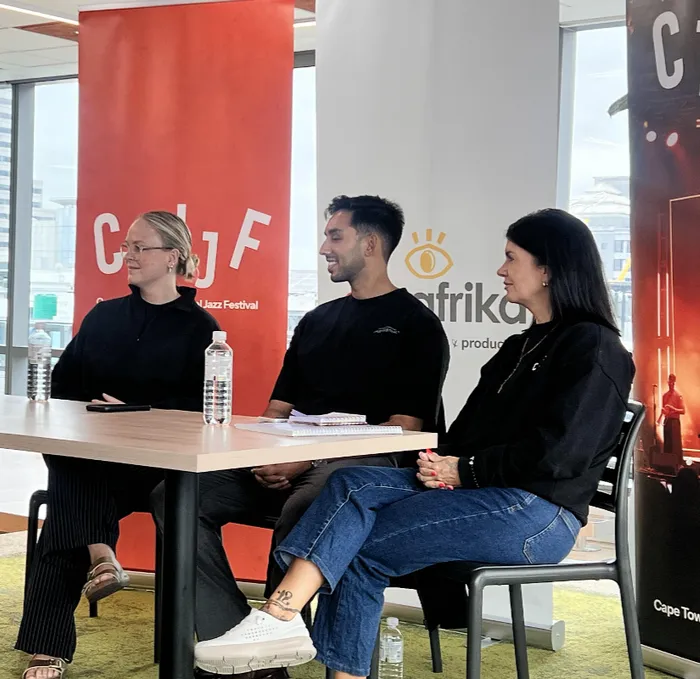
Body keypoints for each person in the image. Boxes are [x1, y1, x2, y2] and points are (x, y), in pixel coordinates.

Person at [194, 208, 636, 679]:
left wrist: (464, 470)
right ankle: (278, 619)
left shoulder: (596, 348)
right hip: (485, 493)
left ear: (547, 268)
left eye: (511, 258)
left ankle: (278, 616)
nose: (500, 270)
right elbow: (465, 437)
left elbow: (561, 455)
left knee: (355, 545)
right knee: (349, 482)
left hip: (538, 514)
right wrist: (440, 464)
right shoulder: (518, 347)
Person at [155, 195, 449, 679]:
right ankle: (247, 653)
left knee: (309, 502)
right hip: (294, 464)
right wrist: (259, 455)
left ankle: (272, 634)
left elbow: (404, 431)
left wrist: (307, 462)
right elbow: (277, 410)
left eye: (335, 236)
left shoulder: (418, 326)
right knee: (176, 496)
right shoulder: (317, 320)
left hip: (364, 474)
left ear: (370, 244)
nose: (323, 248)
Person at [16, 211, 220, 679]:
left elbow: (201, 412)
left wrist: (136, 412)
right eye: (126, 246)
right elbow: (62, 386)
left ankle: (52, 638)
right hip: (90, 456)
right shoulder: (104, 315)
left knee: (67, 500)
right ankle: (101, 557)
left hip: (152, 467)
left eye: (139, 247)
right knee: (72, 465)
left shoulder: (201, 330)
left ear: (172, 257)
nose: (127, 255)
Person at [658, 374, 685, 470]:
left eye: (672, 382)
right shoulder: (664, 396)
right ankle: (667, 465)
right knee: (667, 443)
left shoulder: (678, 395)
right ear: (668, 382)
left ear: (674, 383)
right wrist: (662, 414)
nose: (671, 384)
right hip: (667, 421)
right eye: (670, 382)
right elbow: (664, 409)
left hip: (675, 422)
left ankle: (677, 465)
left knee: (675, 444)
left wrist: (673, 409)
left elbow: (683, 411)